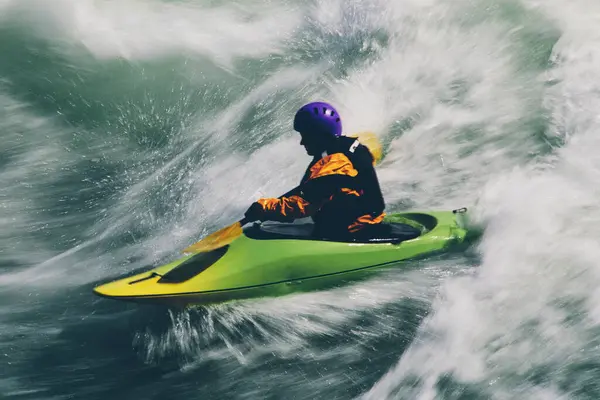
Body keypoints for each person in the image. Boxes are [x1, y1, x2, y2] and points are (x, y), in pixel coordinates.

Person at [243, 101, 387, 240]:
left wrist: (265, 208)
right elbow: (316, 186)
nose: (302, 142)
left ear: (321, 136)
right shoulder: (347, 146)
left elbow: (304, 205)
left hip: (354, 230)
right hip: (368, 217)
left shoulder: (334, 163)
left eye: (306, 136)